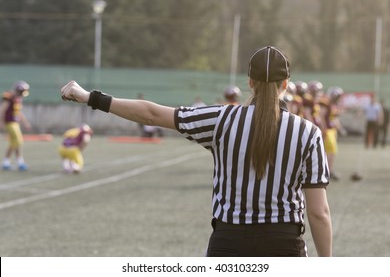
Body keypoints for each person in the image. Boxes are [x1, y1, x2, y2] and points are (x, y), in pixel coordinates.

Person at [60, 46, 332, 257]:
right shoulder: (308, 133)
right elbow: (318, 212)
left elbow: (152, 114)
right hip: (284, 246)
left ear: (249, 82)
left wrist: (89, 97)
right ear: (286, 84)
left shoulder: (221, 119)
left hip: (228, 243)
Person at [0, 80, 31, 171]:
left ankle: (9, 162)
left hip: (15, 123)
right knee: (18, 141)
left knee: (14, 142)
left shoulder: (17, 99)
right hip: (10, 123)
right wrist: (1, 122)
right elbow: (2, 110)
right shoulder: (10, 97)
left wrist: (25, 122)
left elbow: (18, 112)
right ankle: (18, 162)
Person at [318, 86, 346, 181]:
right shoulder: (325, 103)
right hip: (327, 130)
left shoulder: (332, 105)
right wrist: (324, 128)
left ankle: (329, 170)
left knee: (330, 151)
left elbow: (334, 119)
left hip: (332, 130)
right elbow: (321, 116)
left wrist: (340, 128)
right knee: (330, 151)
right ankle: (327, 172)